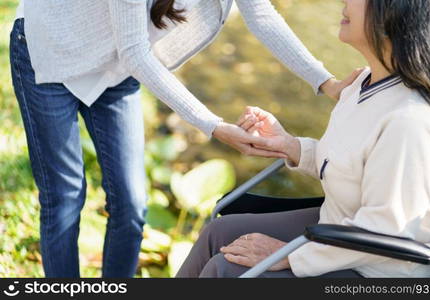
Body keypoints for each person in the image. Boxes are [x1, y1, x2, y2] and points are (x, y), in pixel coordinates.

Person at [9, 0, 356, 277]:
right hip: (51, 52)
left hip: (117, 69)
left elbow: (261, 14)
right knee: (65, 195)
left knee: (131, 205)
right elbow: (136, 51)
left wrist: (328, 84)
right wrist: (213, 125)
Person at [177, 0, 430, 278]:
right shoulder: (364, 84)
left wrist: (290, 256)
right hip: (341, 225)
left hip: (385, 268)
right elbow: (352, 165)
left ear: (398, 14)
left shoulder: (409, 121)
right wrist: (291, 146)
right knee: (220, 233)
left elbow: (385, 230)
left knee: (226, 270)